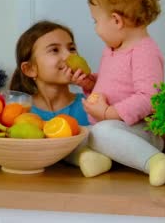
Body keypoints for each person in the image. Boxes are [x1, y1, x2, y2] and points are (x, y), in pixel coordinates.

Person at [72, 0, 165, 186]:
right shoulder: (114, 49)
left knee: (101, 133)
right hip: (115, 128)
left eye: (96, 21)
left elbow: (149, 96)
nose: (95, 28)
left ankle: (156, 161)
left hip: (141, 131)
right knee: (75, 135)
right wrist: (92, 83)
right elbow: (115, 84)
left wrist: (109, 112)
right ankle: (97, 158)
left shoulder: (145, 51)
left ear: (116, 21)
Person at [9, 20, 112, 177]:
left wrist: (94, 88)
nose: (69, 55)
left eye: (72, 48)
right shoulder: (20, 113)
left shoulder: (92, 104)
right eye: (55, 50)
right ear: (30, 69)